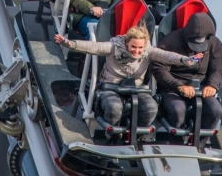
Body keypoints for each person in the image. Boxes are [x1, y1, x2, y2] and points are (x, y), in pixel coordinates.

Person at [55, 24, 198, 130]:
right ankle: (112, 134)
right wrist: (69, 43)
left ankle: (138, 135)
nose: (137, 51)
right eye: (133, 47)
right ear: (126, 43)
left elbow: (166, 56)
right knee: (114, 107)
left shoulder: (148, 51)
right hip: (111, 86)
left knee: (151, 107)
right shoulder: (114, 47)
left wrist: (185, 60)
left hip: (135, 88)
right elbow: (93, 47)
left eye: (140, 48)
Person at [154, 12, 222, 134]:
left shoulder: (215, 43)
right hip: (173, 88)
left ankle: (202, 143)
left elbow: (218, 69)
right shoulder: (169, 42)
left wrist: (212, 85)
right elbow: (158, 68)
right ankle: (174, 142)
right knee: (177, 110)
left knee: (215, 110)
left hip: (202, 87)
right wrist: (179, 86)